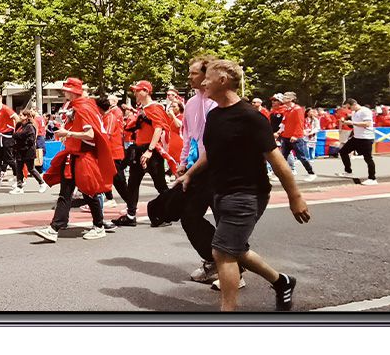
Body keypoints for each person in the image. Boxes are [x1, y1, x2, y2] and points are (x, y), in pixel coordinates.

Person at [178, 59, 311, 312]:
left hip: (248, 194)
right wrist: (189, 174)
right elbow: (208, 155)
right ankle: (282, 282)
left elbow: (278, 161)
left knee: (222, 252)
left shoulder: (252, 117)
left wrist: (295, 197)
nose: (203, 82)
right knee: (235, 249)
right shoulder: (215, 115)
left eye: (208, 78)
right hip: (221, 192)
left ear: (223, 81)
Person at [146, 57, 223, 283]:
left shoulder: (216, 103)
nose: (189, 77)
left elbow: (214, 143)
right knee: (189, 217)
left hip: (216, 170)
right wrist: (182, 164)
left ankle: (232, 269)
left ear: (207, 75)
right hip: (194, 169)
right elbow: (188, 136)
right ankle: (214, 261)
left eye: (193, 73)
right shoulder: (190, 103)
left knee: (224, 222)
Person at [35, 78, 116, 242]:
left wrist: (68, 133)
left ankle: (99, 226)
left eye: (66, 90)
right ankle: (55, 227)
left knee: (89, 192)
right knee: (66, 193)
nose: (63, 92)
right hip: (74, 155)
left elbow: (90, 135)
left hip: (83, 157)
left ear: (72, 91)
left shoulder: (83, 108)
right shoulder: (80, 106)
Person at [112, 80, 171, 228]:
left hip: (149, 151)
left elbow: (159, 129)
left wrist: (150, 151)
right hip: (139, 150)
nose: (135, 93)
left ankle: (170, 213)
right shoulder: (143, 108)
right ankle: (131, 215)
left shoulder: (155, 107)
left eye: (138, 91)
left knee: (160, 185)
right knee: (132, 184)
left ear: (146, 91)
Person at [96, 97, 129, 209]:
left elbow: (107, 135)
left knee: (119, 181)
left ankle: (131, 204)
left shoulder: (110, 117)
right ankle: (106, 199)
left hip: (114, 154)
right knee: (103, 178)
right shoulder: (105, 117)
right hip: (108, 153)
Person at [335, 98, 377, 184]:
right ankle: (348, 171)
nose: (349, 110)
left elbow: (367, 124)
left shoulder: (365, 111)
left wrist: (352, 123)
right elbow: (355, 125)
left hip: (366, 137)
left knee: (368, 158)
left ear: (354, 104)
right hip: (357, 137)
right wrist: (347, 123)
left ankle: (372, 178)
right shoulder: (354, 113)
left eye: (349, 107)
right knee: (343, 151)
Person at [278, 94, 317, 181]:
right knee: (282, 157)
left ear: (291, 99)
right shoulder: (287, 110)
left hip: (296, 138)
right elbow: (284, 123)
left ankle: (311, 173)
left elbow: (300, 123)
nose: (283, 98)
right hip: (286, 137)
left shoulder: (297, 109)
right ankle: (282, 175)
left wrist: (295, 135)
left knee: (302, 157)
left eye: (286, 97)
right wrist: (279, 132)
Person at [10, 109, 47, 194]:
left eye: (22, 115)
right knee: (19, 168)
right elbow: (16, 135)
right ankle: (19, 186)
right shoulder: (20, 126)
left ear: (26, 117)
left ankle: (42, 183)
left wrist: (18, 136)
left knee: (31, 169)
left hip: (28, 151)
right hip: (19, 151)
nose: (20, 116)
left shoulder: (30, 126)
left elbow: (30, 139)